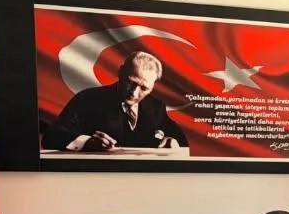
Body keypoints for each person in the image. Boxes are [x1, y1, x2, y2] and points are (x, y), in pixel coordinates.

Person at [41, 51, 188, 152]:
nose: (134, 93)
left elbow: (181, 141)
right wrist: (87, 142)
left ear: (153, 86)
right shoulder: (88, 99)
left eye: (144, 88)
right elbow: (51, 137)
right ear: (120, 72)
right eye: (130, 83)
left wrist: (172, 141)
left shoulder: (156, 107)